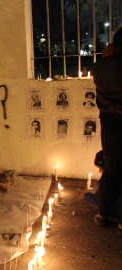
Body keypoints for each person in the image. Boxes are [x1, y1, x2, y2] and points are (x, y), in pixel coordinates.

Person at [92, 27, 122, 232]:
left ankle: (102, 213)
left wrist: (105, 57)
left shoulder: (99, 67)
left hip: (109, 125)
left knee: (111, 169)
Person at [80, 151, 122, 219]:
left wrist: (86, 196)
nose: (99, 171)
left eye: (100, 168)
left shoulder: (105, 182)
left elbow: (99, 200)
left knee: (97, 204)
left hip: (117, 210)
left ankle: (103, 217)